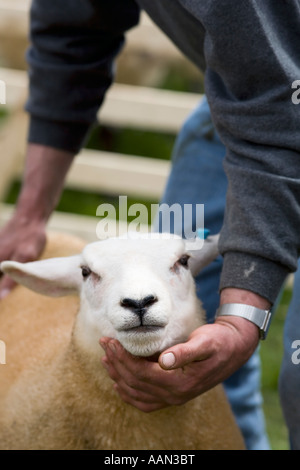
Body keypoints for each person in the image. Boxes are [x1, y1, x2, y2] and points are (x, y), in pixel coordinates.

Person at [0, 0, 299, 449]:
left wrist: (242, 318)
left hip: (275, 94)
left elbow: (277, 102)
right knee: (192, 329)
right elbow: (72, 30)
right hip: (240, 88)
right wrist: (29, 217)